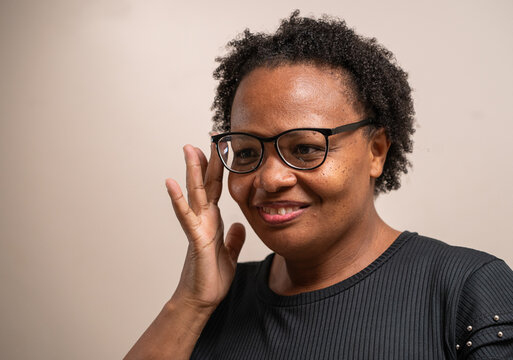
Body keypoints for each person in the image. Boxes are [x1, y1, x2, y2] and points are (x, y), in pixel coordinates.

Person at [124, 11, 513, 359]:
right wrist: (190, 304)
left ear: (376, 151)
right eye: (245, 153)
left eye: (306, 147)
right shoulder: (212, 302)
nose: (271, 178)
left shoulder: (467, 291)